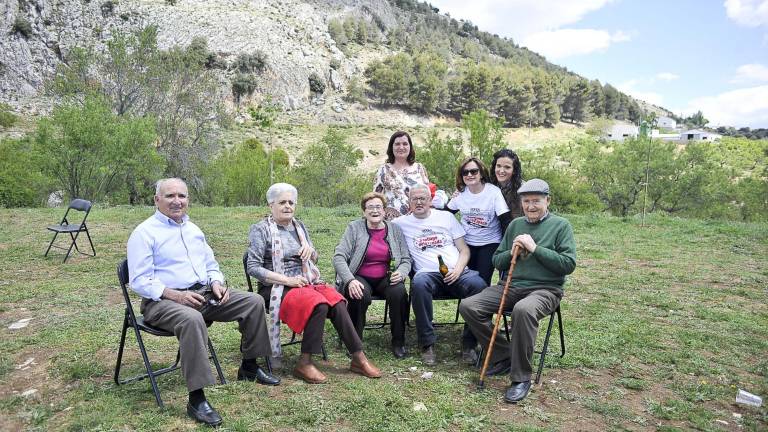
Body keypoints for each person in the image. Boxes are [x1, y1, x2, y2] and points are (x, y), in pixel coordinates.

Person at [127, 178, 279, 427]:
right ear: (157, 200)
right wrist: (175, 295)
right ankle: (196, 398)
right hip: (162, 301)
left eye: (182, 196)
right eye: (170, 196)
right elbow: (139, 281)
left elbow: (210, 265)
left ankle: (250, 366)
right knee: (192, 318)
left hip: (203, 293)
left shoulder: (193, 229)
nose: (177, 201)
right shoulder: (144, 233)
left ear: (188, 199)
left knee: (252, 301)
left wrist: (217, 282)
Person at [246, 183, 381, 384]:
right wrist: (288, 280)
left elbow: (314, 258)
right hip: (276, 286)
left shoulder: (299, 227)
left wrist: (311, 251)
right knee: (319, 304)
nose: (287, 206)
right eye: (282, 202)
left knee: (337, 300)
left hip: (305, 281)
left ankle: (358, 357)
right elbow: (253, 267)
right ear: (270, 205)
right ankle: (305, 362)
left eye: (291, 202)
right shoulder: (261, 229)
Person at [459, 179, 576, 404]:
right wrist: (511, 252)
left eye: (536, 201)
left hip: (546, 289)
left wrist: (535, 249)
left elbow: (567, 265)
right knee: (469, 306)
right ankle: (505, 354)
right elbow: (498, 261)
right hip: (511, 286)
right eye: (526, 201)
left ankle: (521, 378)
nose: (531, 206)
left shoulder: (561, 226)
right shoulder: (515, 225)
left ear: (547, 201)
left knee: (523, 310)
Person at [392, 184, 487, 366]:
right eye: (415, 199)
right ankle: (427, 344)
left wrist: (458, 269)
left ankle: (469, 344)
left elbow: (464, 250)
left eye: (423, 198)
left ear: (430, 201)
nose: (419, 202)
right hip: (428, 274)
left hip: (456, 271)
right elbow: (378, 225)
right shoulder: (401, 223)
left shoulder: (446, 218)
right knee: (418, 283)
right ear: (409, 202)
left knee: (479, 285)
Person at [332, 192, 412, 359]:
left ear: (384, 211)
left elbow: (405, 258)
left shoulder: (395, 230)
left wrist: (402, 271)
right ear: (364, 211)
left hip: (387, 276)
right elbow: (339, 256)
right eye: (370, 207)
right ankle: (355, 344)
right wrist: (350, 280)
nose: (374, 211)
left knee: (398, 293)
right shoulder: (354, 228)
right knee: (358, 294)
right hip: (359, 276)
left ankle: (398, 341)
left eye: (378, 207)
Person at [447, 157, 510, 286]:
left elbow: (505, 220)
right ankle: (463, 307)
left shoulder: (493, 192)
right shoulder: (460, 194)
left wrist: (505, 246)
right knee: (464, 280)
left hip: (490, 242)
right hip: (467, 243)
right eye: (465, 172)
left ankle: (480, 306)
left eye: (474, 171)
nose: (469, 175)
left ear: (481, 173)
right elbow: (446, 213)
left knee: (481, 281)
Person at [373, 131, 430, 220]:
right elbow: (375, 198)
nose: (401, 147)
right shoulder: (383, 169)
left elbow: (428, 194)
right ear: (391, 147)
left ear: (410, 147)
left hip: (417, 221)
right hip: (392, 223)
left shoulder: (419, 168)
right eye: (397, 144)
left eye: (405, 144)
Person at [489, 149, 524, 221]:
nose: (501, 171)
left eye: (507, 167)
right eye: (498, 166)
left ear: (514, 170)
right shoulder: (488, 186)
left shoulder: (523, 190)